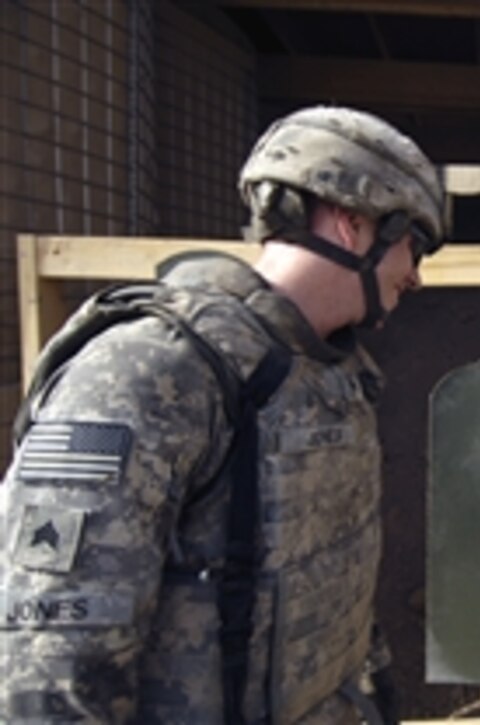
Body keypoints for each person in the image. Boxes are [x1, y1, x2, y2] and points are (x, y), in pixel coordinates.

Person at [0, 105, 445, 723]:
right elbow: (52, 670)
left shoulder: (329, 372)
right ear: (352, 224)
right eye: (413, 245)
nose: (415, 276)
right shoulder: (148, 372)